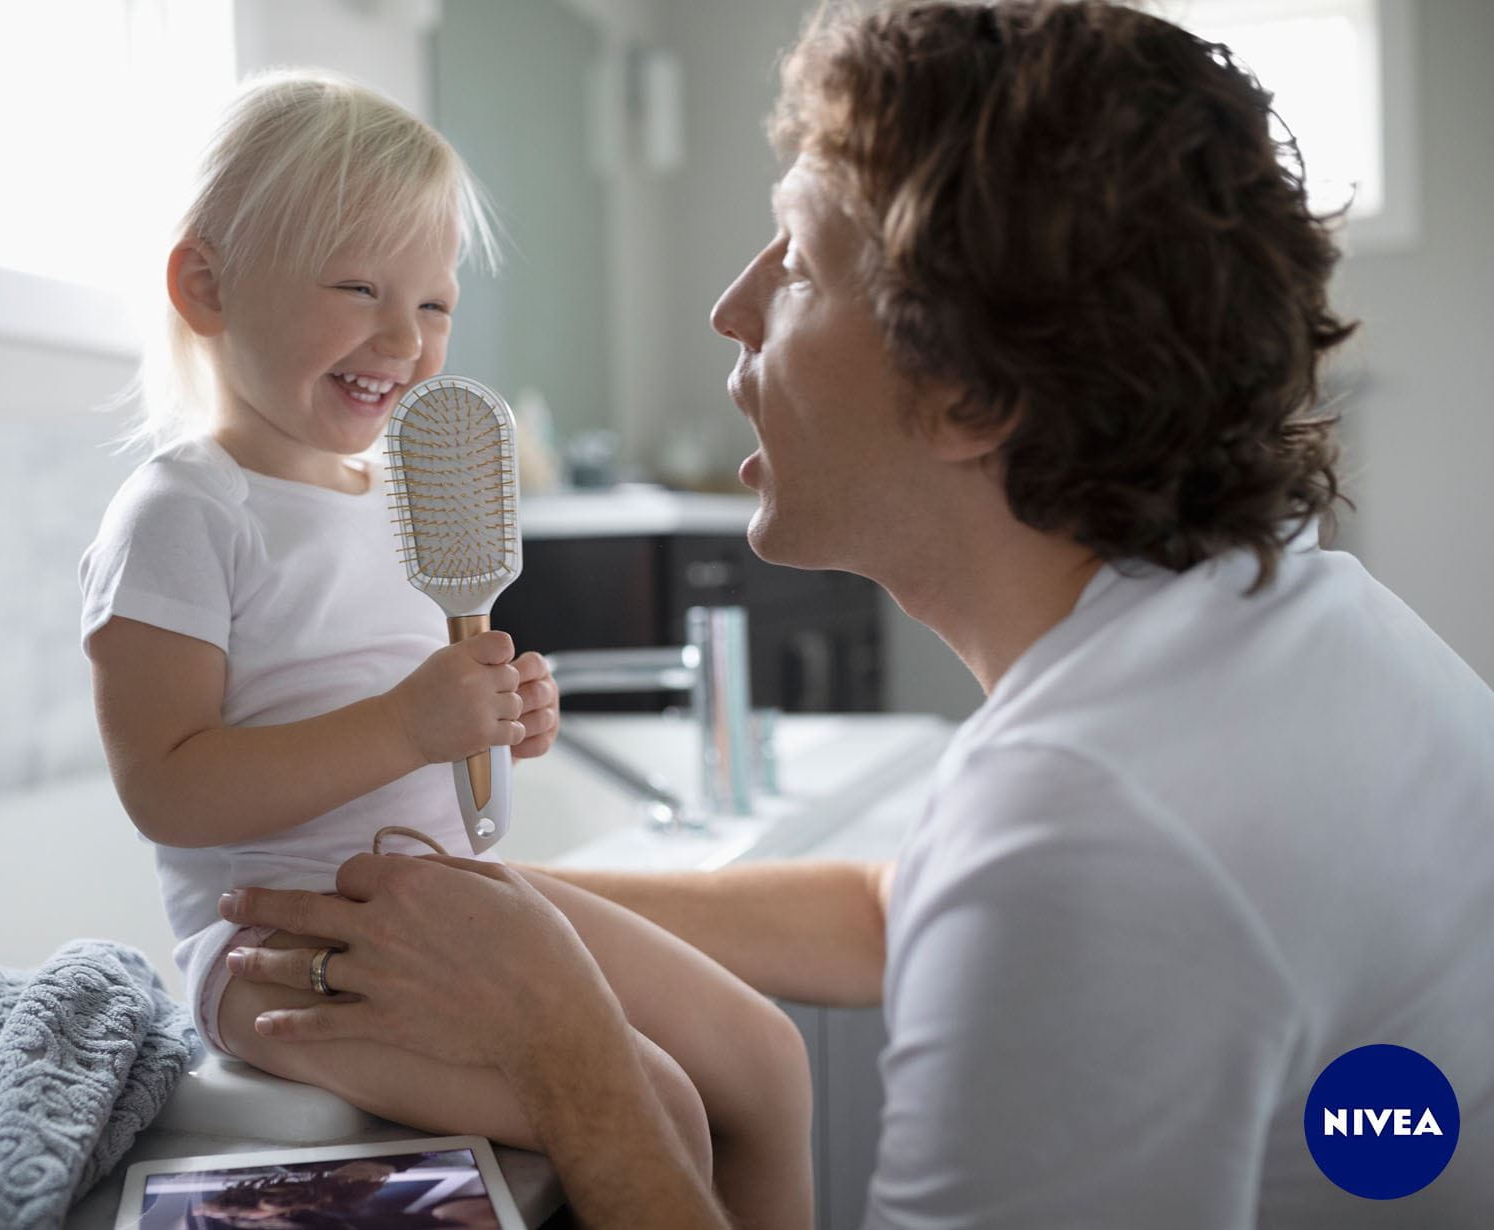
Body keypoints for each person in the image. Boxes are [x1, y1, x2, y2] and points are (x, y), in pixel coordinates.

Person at [216, 2, 1494, 1227]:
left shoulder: (1093, 834)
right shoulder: (1280, 617)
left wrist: (565, 1047)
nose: (731, 307)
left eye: (799, 263)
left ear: (969, 392)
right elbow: (904, 907)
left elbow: (1038, 882)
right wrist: (508, 908)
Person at [78, 68, 814, 1229]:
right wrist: (407, 726)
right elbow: (165, 788)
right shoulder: (185, 512)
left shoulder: (394, 494)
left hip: (450, 901)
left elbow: (415, 719)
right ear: (206, 285)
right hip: (286, 946)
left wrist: (503, 717)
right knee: (654, 1101)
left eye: (434, 304)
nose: (402, 338)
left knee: (765, 1057)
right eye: (360, 288)